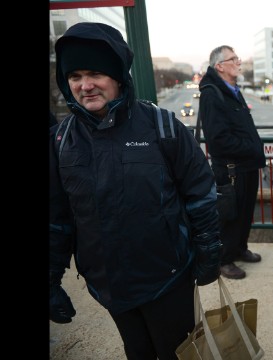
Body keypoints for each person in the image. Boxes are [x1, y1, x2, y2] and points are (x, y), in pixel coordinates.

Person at [49, 22, 223, 360]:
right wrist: (50, 280)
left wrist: (209, 252)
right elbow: (56, 219)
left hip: (168, 279)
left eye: (95, 73)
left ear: (117, 77)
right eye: (75, 77)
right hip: (108, 285)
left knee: (179, 353)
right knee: (138, 352)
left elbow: (200, 194)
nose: (85, 86)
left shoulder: (163, 126)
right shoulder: (59, 142)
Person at [199, 45, 266, 279]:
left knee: (246, 212)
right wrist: (252, 149)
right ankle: (224, 260)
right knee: (229, 216)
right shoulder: (212, 94)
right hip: (230, 169)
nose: (239, 62)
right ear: (220, 66)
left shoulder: (232, 90)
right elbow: (218, 140)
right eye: (233, 59)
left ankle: (239, 249)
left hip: (245, 166)